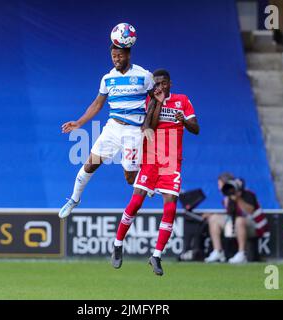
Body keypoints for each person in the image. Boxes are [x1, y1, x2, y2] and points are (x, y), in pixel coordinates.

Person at [110, 69, 200, 276]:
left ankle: (156, 255)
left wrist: (183, 120)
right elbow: (148, 125)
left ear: (170, 83)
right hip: (151, 158)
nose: (159, 87)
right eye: (156, 84)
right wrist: (158, 102)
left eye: (162, 83)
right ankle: (117, 243)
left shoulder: (182, 100)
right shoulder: (149, 101)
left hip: (171, 162)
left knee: (170, 209)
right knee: (136, 202)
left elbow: (196, 128)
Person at [58, 44, 155, 219]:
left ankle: (148, 179)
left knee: (130, 178)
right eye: (113, 56)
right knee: (90, 164)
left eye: (119, 56)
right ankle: (74, 199)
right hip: (112, 128)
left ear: (128, 55)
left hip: (133, 131)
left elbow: (156, 101)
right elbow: (97, 104)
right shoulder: (108, 78)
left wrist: (148, 124)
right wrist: (79, 122)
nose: (116, 59)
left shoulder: (144, 75)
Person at [204, 173, 268, 264]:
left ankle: (242, 254)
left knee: (239, 220)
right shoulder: (228, 198)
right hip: (237, 224)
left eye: (220, 185)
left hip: (256, 226)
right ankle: (218, 251)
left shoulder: (248, 194)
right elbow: (230, 214)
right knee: (214, 219)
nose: (219, 188)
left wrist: (238, 199)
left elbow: (249, 211)